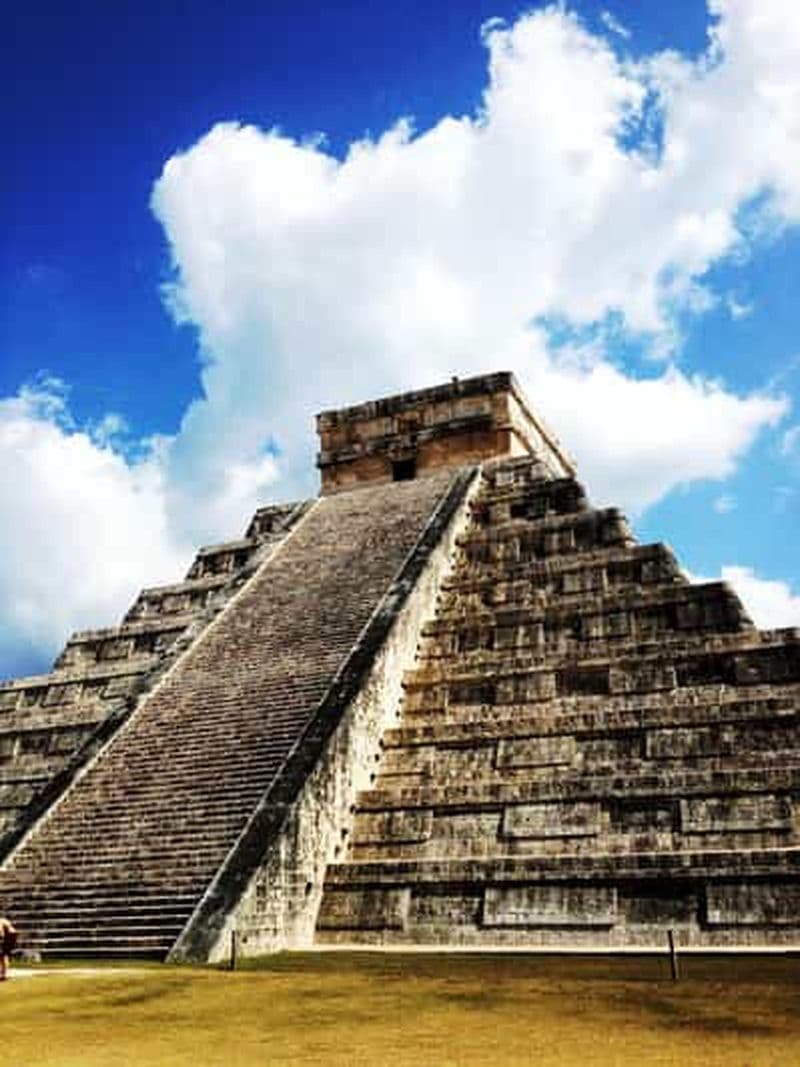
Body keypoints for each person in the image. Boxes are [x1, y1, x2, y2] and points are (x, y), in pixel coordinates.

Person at [0, 917, 17, 981]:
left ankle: (4, 974)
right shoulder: (2, 920)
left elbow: (1, 934)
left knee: (3, 956)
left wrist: (1, 941)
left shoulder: (0, 921)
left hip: (10, 936)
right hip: (11, 935)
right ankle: (4, 974)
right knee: (3, 955)